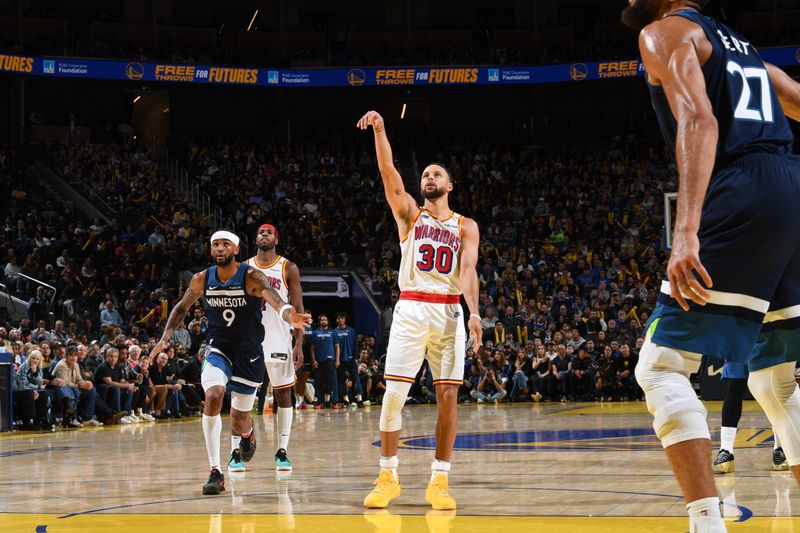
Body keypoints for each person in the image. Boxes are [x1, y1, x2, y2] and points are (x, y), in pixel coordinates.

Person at [621, 1, 800, 531]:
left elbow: (699, 118)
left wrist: (685, 230)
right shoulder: (745, 52)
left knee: (660, 366)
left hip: (744, 189)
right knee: (773, 382)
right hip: (789, 185)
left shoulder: (662, 31)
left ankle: (705, 524)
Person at [357, 110, 481, 510]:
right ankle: (388, 476)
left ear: (449, 185)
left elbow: (468, 271)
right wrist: (380, 129)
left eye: (436, 175)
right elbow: (387, 167)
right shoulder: (409, 213)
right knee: (393, 394)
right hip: (411, 308)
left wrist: (475, 314)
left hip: (448, 313)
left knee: (448, 398)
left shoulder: (466, 226)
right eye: (425, 174)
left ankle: (439, 481)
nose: (429, 178)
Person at [150, 230, 310, 496]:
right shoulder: (203, 278)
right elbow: (181, 308)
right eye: (215, 245)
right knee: (213, 395)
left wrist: (288, 314)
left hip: (249, 352)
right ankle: (215, 472)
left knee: (238, 421)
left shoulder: (251, 276)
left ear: (236, 250)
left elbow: (274, 298)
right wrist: (164, 338)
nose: (220, 248)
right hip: (219, 348)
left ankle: (247, 435)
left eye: (225, 244)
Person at [245, 223, 305, 473]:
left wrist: (299, 342)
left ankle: (282, 450)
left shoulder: (288, 267)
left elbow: (298, 306)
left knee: (283, 395)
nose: (264, 235)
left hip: (280, 339)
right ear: (255, 238)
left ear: (276, 239)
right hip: (250, 338)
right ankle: (238, 447)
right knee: (243, 397)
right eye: (261, 232)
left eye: (269, 232)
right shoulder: (244, 267)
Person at [712, 361, 788, 473]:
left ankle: (780, 448)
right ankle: (725, 450)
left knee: (772, 386)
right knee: (735, 384)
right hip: (741, 345)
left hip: (769, 344)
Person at [309, 314, 340, 408]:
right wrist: (313, 360)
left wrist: (337, 360)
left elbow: (337, 347)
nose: (323, 321)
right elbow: (312, 348)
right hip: (319, 361)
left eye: (325, 320)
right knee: (319, 383)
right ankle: (320, 402)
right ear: (319, 321)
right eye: (322, 320)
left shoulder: (333, 332)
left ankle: (334, 402)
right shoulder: (315, 333)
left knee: (333, 382)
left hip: (330, 360)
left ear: (328, 321)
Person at [334, 313, 363, 407]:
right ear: (336, 320)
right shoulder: (334, 332)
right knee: (341, 380)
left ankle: (359, 400)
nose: (340, 320)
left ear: (345, 319)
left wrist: (355, 357)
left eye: (342, 318)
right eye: (338, 318)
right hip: (340, 360)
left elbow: (355, 344)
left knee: (355, 378)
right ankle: (346, 401)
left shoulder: (351, 330)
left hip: (351, 359)